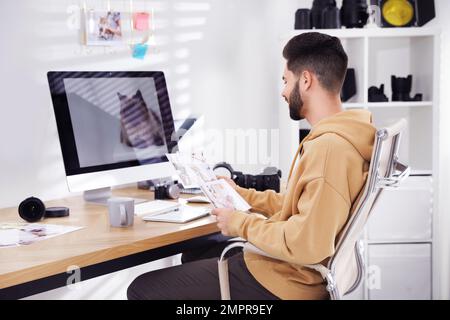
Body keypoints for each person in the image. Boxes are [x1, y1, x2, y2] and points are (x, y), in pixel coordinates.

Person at [127, 32, 376, 300]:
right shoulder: (343, 137)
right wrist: (240, 195)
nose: (282, 91)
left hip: (286, 282)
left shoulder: (329, 149)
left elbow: (306, 243)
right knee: (197, 252)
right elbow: (300, 208)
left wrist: (240, 223)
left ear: (305, 80)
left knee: (142, 290)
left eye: (285, 80)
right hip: (291, 270)